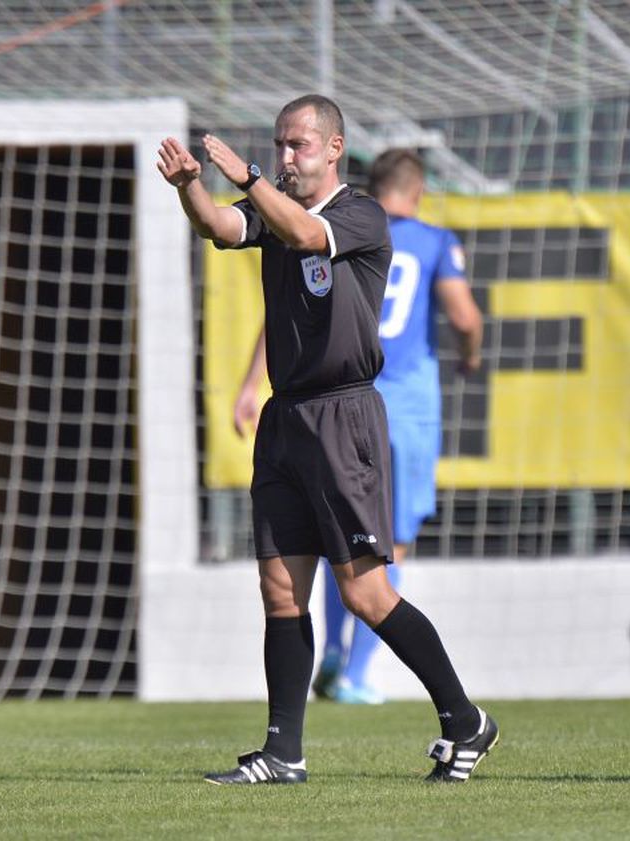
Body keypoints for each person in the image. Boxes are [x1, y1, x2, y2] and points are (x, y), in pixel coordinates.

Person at [157, 95, 497, 785]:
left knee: (367, 593)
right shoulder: (272, 205)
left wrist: (247, 174)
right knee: (280, 589)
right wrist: (192, 184)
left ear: (334, 148)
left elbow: (309, 237)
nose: (287, 157)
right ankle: (283, 752)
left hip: (344, 418)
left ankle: (465, 719)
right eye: (280, 144)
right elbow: (223, 228)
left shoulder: (361, 214)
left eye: (299, 146)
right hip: (287, 421)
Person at [234, 148, 483, 706]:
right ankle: (356, 674)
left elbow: (283, 316)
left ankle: (335, 657)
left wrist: (250, 384)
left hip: (327, 399)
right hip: (398, 402)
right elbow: (465, 317)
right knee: (385, 546)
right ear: (417, 190)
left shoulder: (332, 221)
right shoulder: (430, 240)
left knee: (333, 548)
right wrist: (471, 353)